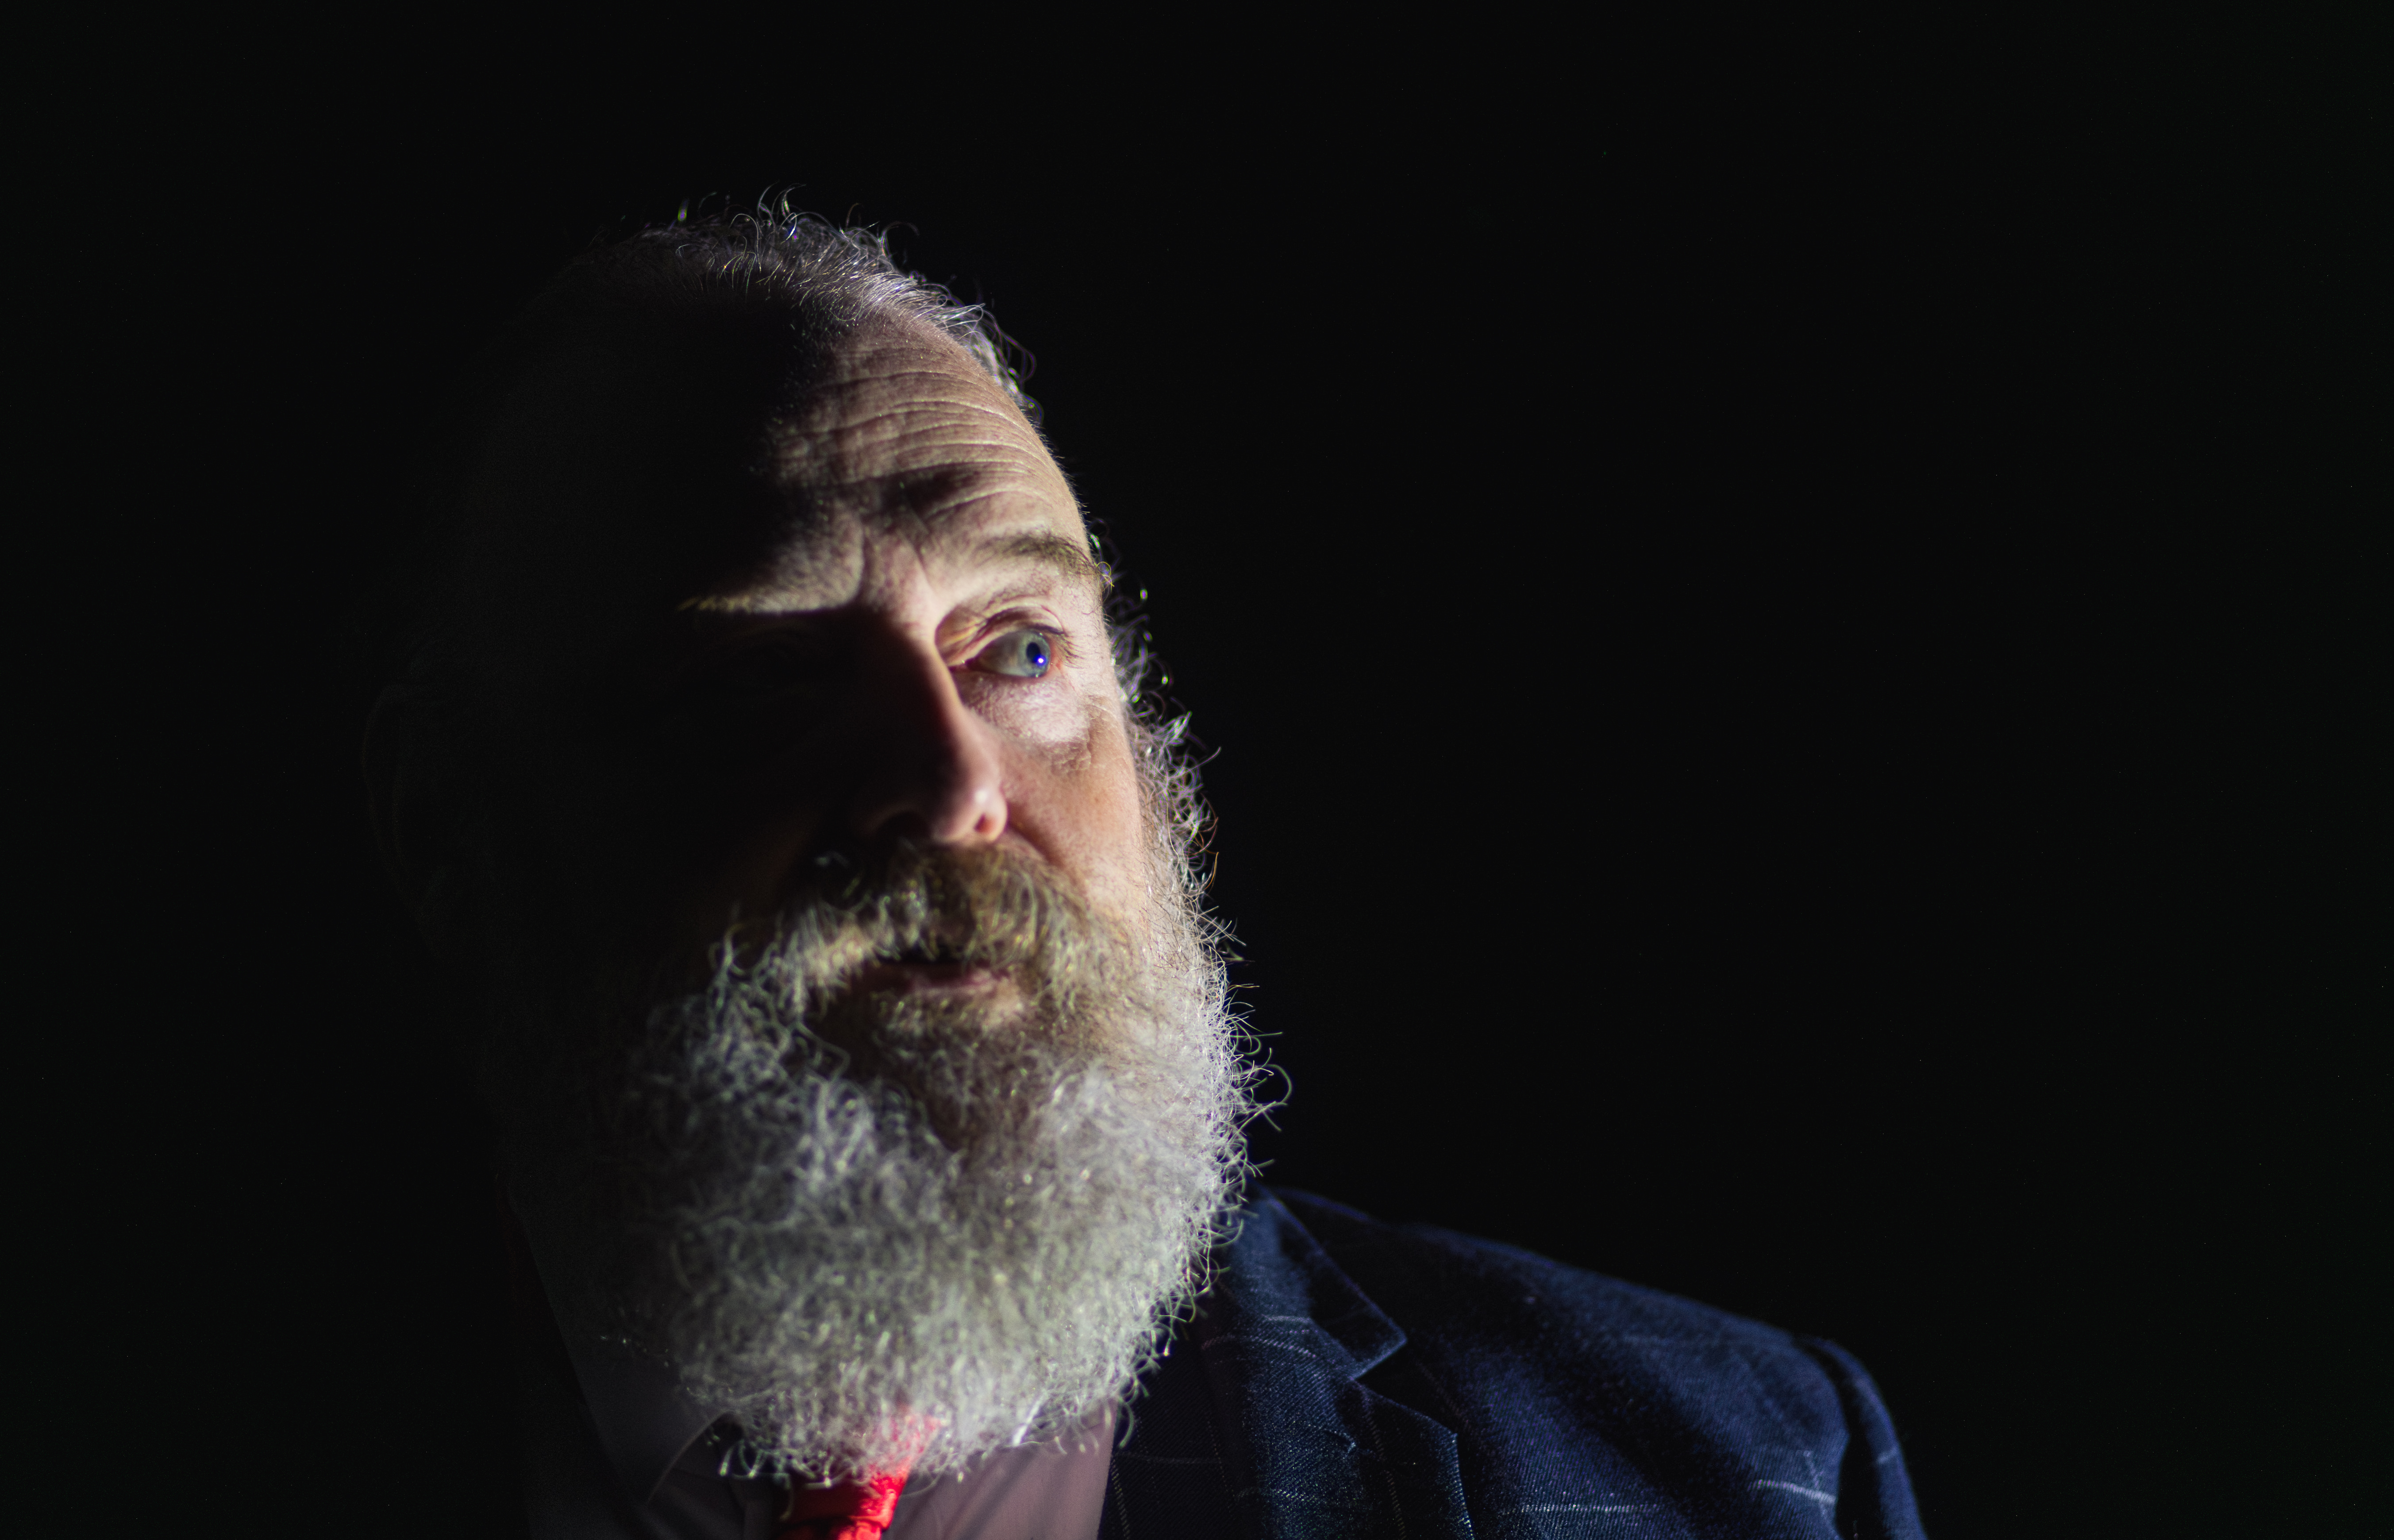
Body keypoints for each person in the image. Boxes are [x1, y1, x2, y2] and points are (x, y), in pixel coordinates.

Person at [361, 209, 1928, 1540]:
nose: (957, 782)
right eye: (764, 684)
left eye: (1023, 650)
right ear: (455, 845)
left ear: (1167, 787)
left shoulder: (1732, 1480)